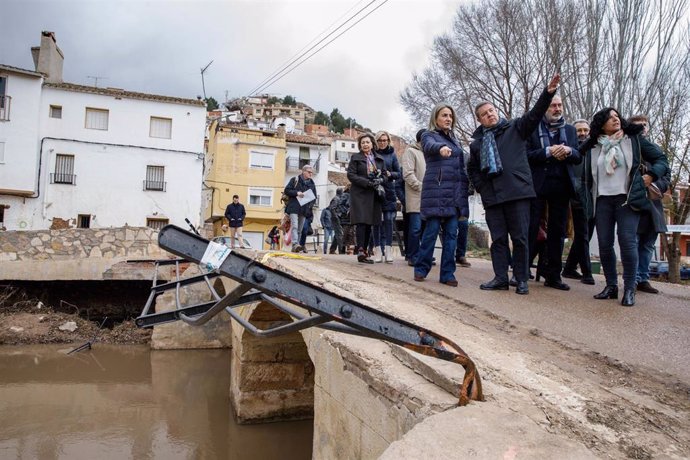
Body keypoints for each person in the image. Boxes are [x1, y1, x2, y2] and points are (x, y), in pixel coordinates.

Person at [467, 74, 561, 295]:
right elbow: (472, 169)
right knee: (498, 239)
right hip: (493, 198)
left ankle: (520, 279)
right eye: (484, 114)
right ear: (479, 120)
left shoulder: (515, 128)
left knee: (520, 239)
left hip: (518, 193)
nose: (489, 115)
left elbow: (536, 114)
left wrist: (548, 93)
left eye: (491, 110)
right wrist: (482, 187)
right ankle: (500, 277)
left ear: (496, 111)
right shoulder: (477, 144)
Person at [581, 108, 669, 306]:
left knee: (627, 242)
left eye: (616, 116)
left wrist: (651, 175)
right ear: (601, 123)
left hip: (627, 199)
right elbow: (578, 161)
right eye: (610, 118)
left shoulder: (633, 140)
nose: (615, 119)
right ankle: (611, 286)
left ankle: (630, 288)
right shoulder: (594, 146)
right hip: (602, 199)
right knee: (604, 243)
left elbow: (662, 160)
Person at [526, 95, 582, 290]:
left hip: (561, 186)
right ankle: (523, 270)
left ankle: (553, 275)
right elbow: (527, 155)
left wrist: (567, 150)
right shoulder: (533, 129)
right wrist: (548, 151)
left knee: (557, 233)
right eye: (553, 105)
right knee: (531, 228)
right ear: (545, 108)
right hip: (538, 185)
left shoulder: (570, 130)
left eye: (559, 105)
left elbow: (578, 156)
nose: (557, 109)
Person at [414, 103, 469, 287]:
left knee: (452, 235)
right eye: (444, 115)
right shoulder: (429, 135)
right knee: (430, 233)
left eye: (450, 116)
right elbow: (429, 146)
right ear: (435, 118)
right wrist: (440, 148)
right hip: (436, 193)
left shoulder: (455, 140)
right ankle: (421, 269)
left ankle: (447, 274)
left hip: (453, 194)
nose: (448, 119)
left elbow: (461, 166)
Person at [629, 115, 670, 294]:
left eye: (645, 125)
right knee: (634, 241)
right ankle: (633, 278)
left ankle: (643, 278)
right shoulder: (629, 148)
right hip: (634, 202)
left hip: (653, 203)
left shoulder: (655, 150)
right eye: (638, 125)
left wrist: (653, 183)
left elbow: (666, 177)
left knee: (647, 244)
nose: (642, 128)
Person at [562, 119, 596, 285]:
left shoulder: (595, 149)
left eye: (585, 130)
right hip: (576, 196)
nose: (582, 133)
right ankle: (587, 272)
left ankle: (569, 267)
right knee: (582, 234)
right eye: (579, 131)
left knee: (586, 235)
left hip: (594, 196)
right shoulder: (571, 151)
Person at [347, 133, 385, 263]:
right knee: (362, 222)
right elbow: (351, 175)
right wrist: (367, 182)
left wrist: (380, 179)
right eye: (362, 143)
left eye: (367, 142)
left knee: (370, 222)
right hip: (360, 193)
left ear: (372, 144)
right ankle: (361, 250)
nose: (365, 144)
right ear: (360, 145)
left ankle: (366, 251)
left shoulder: (379, 159)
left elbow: (385, 174)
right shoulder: (355, 158)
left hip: (374, 194)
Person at [373, 130, 401, 263]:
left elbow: (398, 173)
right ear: (376, 142)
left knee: (389, 221)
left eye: (385, 140)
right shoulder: (372, 154)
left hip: (389, 191)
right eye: (380, 140)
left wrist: (390, 174)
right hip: (376, 190)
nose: (382, 143)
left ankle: (389, 251)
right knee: (377, 222)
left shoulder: (392, 154)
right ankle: (378, 250)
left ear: (388, 141)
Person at [402, 129, 426, 267]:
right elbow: (408, 174)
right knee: (415, 228)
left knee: (425, 229)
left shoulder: (429, 154)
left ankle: (421, 255)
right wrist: (420, 186)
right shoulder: (410, 151)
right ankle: (412, 255)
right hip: (416, 196)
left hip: (428, 198)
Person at [283, 164, 317, 253]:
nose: (311, 174)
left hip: (304, 209)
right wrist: (297, 193)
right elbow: (287, 190)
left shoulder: (312, 183)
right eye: (309, 172)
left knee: (300, 229)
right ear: (303, 171)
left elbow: (314, 197)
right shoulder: (295, 180)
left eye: (312, 173)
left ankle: (296, 246)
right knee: (294, 225)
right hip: (294, 207)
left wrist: (310, 206)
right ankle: (295, 244)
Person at [328, 188, 344, 254]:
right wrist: (336, 217)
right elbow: (332, 209)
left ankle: (332, 249)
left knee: (337, 234)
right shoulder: (336, 199)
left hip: (337, 218)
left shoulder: (338, 198)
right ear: (340, 192)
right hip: (335, 219)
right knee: (340, 234)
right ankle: (341, 251)